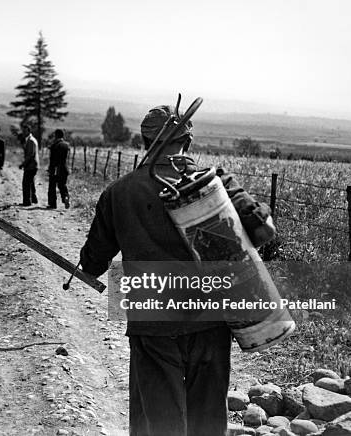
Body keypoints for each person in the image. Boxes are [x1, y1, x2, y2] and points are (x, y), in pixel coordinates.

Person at [79, 105, 276, 435]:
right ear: (187, 140)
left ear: (145, 142)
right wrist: (263, 212)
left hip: (153, 326)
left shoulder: (118, 193)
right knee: (207, 422)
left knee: (157, 422)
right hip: (211, 323)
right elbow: (263, 232)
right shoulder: (216, 182)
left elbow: (93, 264)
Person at [47, 129, 70, 209]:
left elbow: (52, 160)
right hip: (64, 168)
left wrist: (50, 169)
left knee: (52, 186)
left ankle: (52, 204)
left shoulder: (54, 146)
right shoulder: (66, 145)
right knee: (62, 185)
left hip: (56, 170)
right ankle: (65, 197)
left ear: (56, 135)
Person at [18, 125, 39, 206]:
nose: (23, 133)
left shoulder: (30, 141)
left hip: (31, 165)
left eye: (25, 131)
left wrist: (23, 164)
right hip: (33, 165)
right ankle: (33, 199)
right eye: (23, 131)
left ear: (29, 131)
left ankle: (27, 202)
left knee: (26, 183)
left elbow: (30, 155)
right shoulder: (31, 140)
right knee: (31, 182)